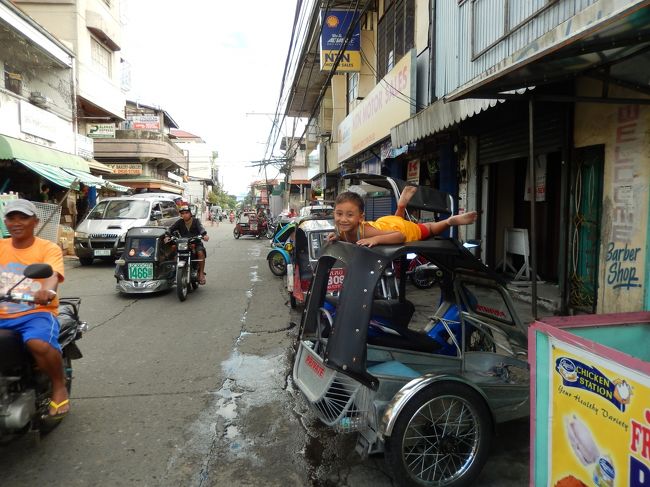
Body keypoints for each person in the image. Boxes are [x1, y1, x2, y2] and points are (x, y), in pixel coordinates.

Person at [0, 199, 69, 418]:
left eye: (23, 217)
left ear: (35, 222)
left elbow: (51, 275)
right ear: (6, 222)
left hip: (35, 312)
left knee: (37, 343)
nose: (17, 223)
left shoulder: (48, 248)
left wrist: (46, 292)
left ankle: (58, 386)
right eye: (12, 218)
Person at [329, 185, 478, 247]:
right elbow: (345, 237)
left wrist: (375, 239)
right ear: (333, 213)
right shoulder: (344, 229)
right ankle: (401, 206)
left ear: (361, 217)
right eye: (339, 213)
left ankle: (449, 221)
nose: (343, 219)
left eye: (349, 215)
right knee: (397, 219)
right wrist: (337, 237)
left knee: (429, 229)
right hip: (385, 223)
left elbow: (399, 236)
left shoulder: (365, 231)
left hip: (399, 230)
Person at [167, 205, 209, 284]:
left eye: (186, 213)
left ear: (190, 213)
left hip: (195, 242)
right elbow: (171, 228)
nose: (184, 215)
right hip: (183, 243)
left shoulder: (196, 221)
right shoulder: (180, 222)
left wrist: (204, 235)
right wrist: (167, 235)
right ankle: (172, 269)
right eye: (182, 213)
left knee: (200, 252)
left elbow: (201, 228)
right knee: (173, 250)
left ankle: (201, 274)